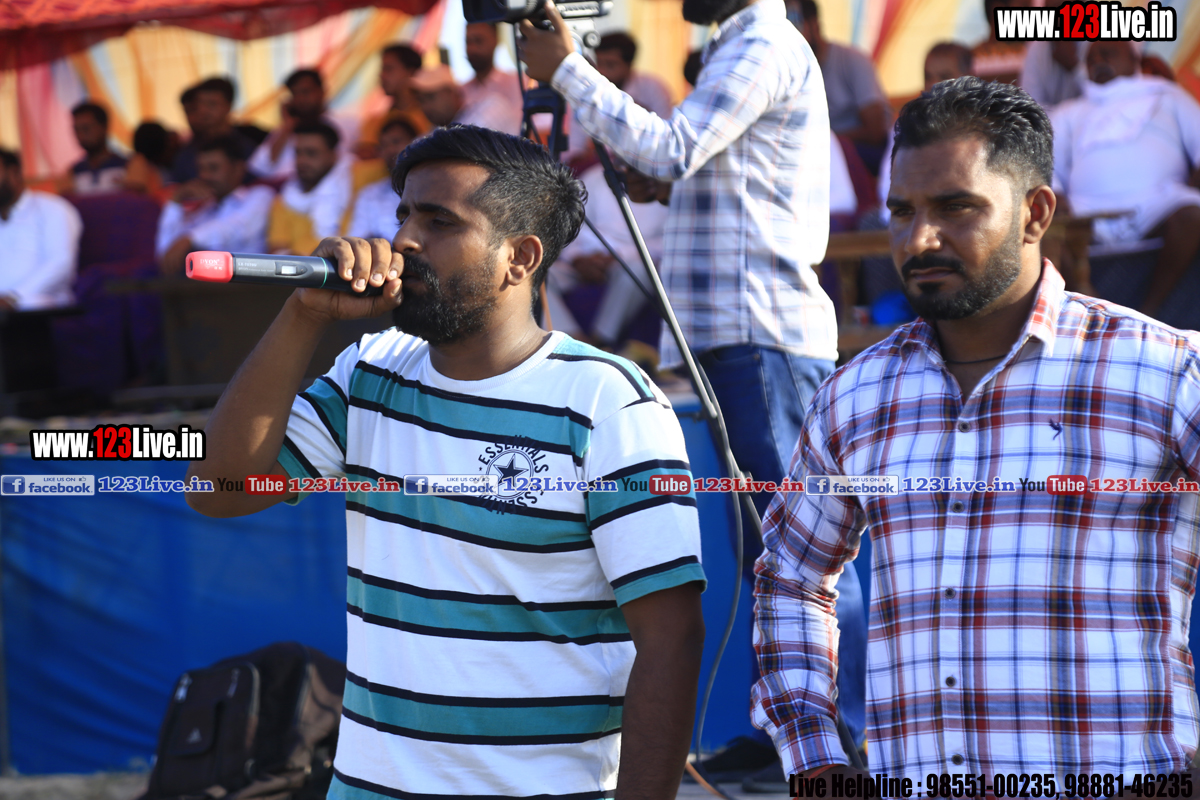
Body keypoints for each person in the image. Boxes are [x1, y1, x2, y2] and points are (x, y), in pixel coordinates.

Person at [184, 124, 707, 800]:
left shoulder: (608, 402)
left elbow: (670, 640)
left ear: (519, 257)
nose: (404, 240)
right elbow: (218, 489)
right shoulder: (370, 369)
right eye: (403, 214)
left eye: (439, 221)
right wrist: (303, 314)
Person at [755, 74, 1200, 781]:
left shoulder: (1163, 372)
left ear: (1035, 213)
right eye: (902, 211)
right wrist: (815, 761)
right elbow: (790, 577)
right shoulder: (856, 396)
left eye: (956, 207)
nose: (919, 238)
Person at [520, 0, 867, 786]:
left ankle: (843, 743)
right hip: (736, 337)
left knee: (806, 551)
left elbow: (673, 148)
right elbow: (706, 171)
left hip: (761, 336)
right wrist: (661, 181)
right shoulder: (740, 46)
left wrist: (567, 69)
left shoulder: (763, 42)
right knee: (771, 555)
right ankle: (793, 735)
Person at [1050, 40, 1200, 317]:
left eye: (1107, 53)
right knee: (1043, 227)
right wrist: (1057, 195)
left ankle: (1150, 311)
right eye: (1091, 59)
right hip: (1085, 211)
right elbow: (1047, 164)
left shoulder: (1169, 96)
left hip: (1158, 203)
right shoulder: (1069, 111)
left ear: (1134, 59)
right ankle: (1096, 308)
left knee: (1194, 215)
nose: (1098, 62)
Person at [155, 135, 275, 274]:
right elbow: (166, 254)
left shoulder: (260, 196)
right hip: (201, 283)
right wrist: (175, 201)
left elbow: (236, 228)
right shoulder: (204, 209)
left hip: (245, 281)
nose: (204, 176)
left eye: (213, 168)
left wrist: (189, 239)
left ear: (238, 169)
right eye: (201, 169)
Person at [795, 0, 890, 174]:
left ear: (815, 25)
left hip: (863, 155)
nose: (790, 34)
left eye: (796, 23)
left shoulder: (853, 61)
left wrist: (828, 140)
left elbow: (875, 132)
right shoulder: (791, 71)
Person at [0, 149, 82, 310]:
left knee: (33, 304)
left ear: (14, 173)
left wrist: (14, 297)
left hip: (38, 307)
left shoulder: (53, 209)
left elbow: (61, 264)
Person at [249, 68, 358, 182]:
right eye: (294, 94)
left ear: (322, 91)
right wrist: (287, 127)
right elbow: (260, 167)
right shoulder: (285, 129)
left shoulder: (347, 123)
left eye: (305, 92)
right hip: (282, 189)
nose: (300, 99)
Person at [267, 122, 352, 257]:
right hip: (303, 268)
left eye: (311, 153)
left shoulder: (357, 179)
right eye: (298, 153)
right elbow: (276, 250)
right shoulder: (284, 199)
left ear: (333, 154)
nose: (302, 161)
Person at [171, 77, 257, 184]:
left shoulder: (247, 149)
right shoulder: (186, 154)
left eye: (212, 104)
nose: (203, 110)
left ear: (229, 106)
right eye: (199, 105)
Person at [344, 116, 418, 241]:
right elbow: (356, 240)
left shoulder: (431, 188)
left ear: (416, 142)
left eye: (396, 142)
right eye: (383, 146)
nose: (390, 150)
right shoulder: (370, 194)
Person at [355, 44, 431, 160]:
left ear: (411, 72)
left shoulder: (431, 117)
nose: (381, 75)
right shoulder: (374, 123)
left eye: (388, 69)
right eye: (382, 70)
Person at [411, 64, 523, 136]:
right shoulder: (431, 135)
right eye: (420, 100)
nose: (426, 106)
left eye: (431, 97)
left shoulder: (491, 108)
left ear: (452, 93)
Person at [593, 33, 674, 118]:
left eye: (610, 65)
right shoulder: (593, 85)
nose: (601, 70)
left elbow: (664, 122)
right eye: (598, 63)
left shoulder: (652, 88)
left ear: (629, 65)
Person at [463, 22, 525, 126]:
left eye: (478, 40)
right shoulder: (461, 91)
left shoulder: (518, 83)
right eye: (467, 42)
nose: (472, 49)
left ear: (496, 39)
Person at [60, 101, 127, 195]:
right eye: (76, 130)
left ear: (104, 127)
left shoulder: (128, 166)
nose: (80, 136)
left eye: (86, 129)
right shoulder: (73, 172)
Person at [1020, 41, 1085, 109]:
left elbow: (1092, 101)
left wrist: (1075, 68)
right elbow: (1030, 106)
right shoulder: (1037, 46)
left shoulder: (1089, 46)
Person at [123, 121, 178, 196]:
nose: (168, 147)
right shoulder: (139, 163)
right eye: (166, 142)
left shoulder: (154, 166)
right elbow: (135, 192)